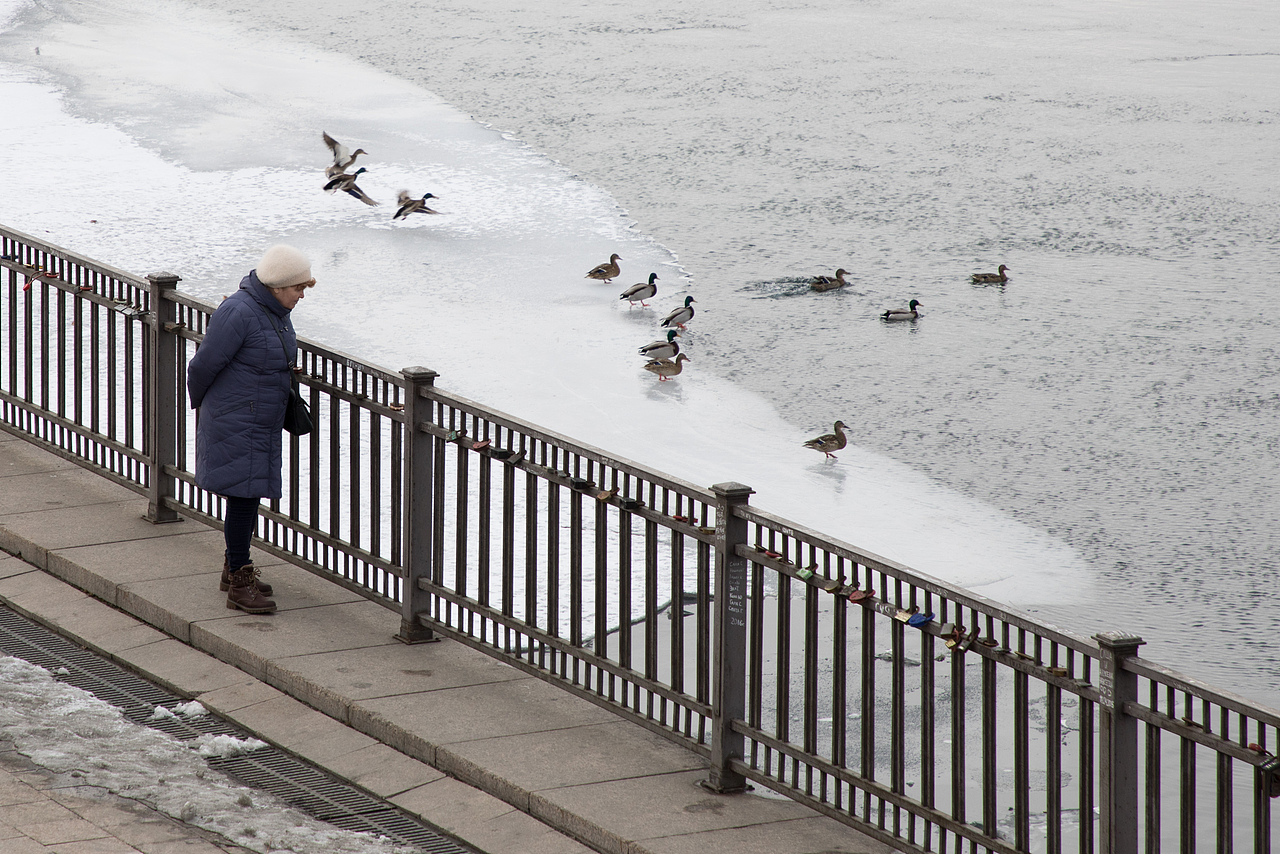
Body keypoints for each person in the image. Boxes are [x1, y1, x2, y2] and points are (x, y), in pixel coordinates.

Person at [187, 245, 315, 614]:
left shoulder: (274, 311)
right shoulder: (238, 312)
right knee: (244, 497)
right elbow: (202, 366)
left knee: (248, 494)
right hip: (238, 419)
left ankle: (234, 569)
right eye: (298, 288)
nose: (302, 295)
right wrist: (212, 409)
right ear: (277, 285)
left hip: (258, 418)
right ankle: (239, 584)